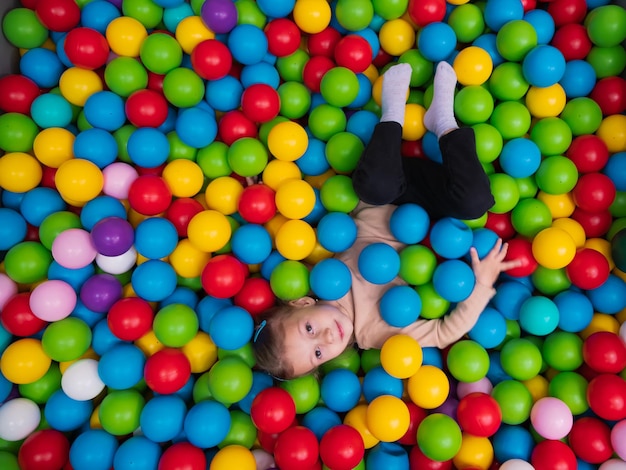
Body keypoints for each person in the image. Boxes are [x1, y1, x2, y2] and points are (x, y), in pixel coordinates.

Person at [252, 61, 522, 380]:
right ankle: (444, 123)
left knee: (370, 186)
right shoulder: (375, 336)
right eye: (318, 354)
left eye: (309, 328)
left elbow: (300, 222)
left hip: (387, 187)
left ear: (301, 302)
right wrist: (482, 284)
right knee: (476, 203)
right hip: (434, 212)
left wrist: (262, 191)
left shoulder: (321, 273)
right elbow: (442, 333)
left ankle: (393, 109)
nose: (325, 337)